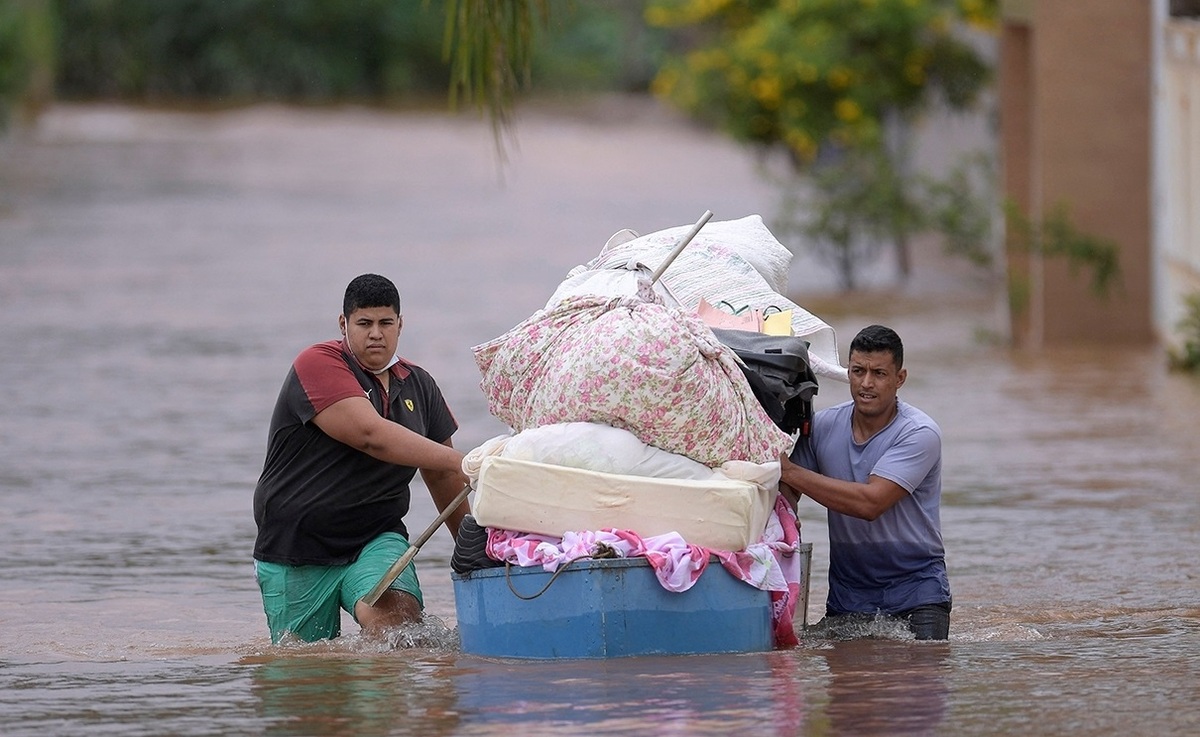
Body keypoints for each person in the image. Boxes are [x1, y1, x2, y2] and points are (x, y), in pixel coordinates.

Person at [252, 273, 471, 644]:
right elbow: (372, 437)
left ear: (400, 325)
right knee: (307, 673)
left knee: (399, 632)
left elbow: (441, 475)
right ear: (344, 324)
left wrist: (474, 547)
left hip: (376, 537)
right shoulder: (317, 364)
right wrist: (467, 460)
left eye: (386, 323)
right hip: (296, 544)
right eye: (364, 323)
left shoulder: (419, 384)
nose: (376, 334)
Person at [779, 324, 951, 640]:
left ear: (900, 378)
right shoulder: (822, 426)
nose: (866, 383)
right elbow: (786, 492)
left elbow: (870, 502)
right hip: (848, 597)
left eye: (879, 374)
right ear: (848, 372)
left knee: (919, 682)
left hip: (916, 594)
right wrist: (784, 520)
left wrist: (787, 471)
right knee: (849, 686)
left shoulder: (919, 433)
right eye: (858, 371)